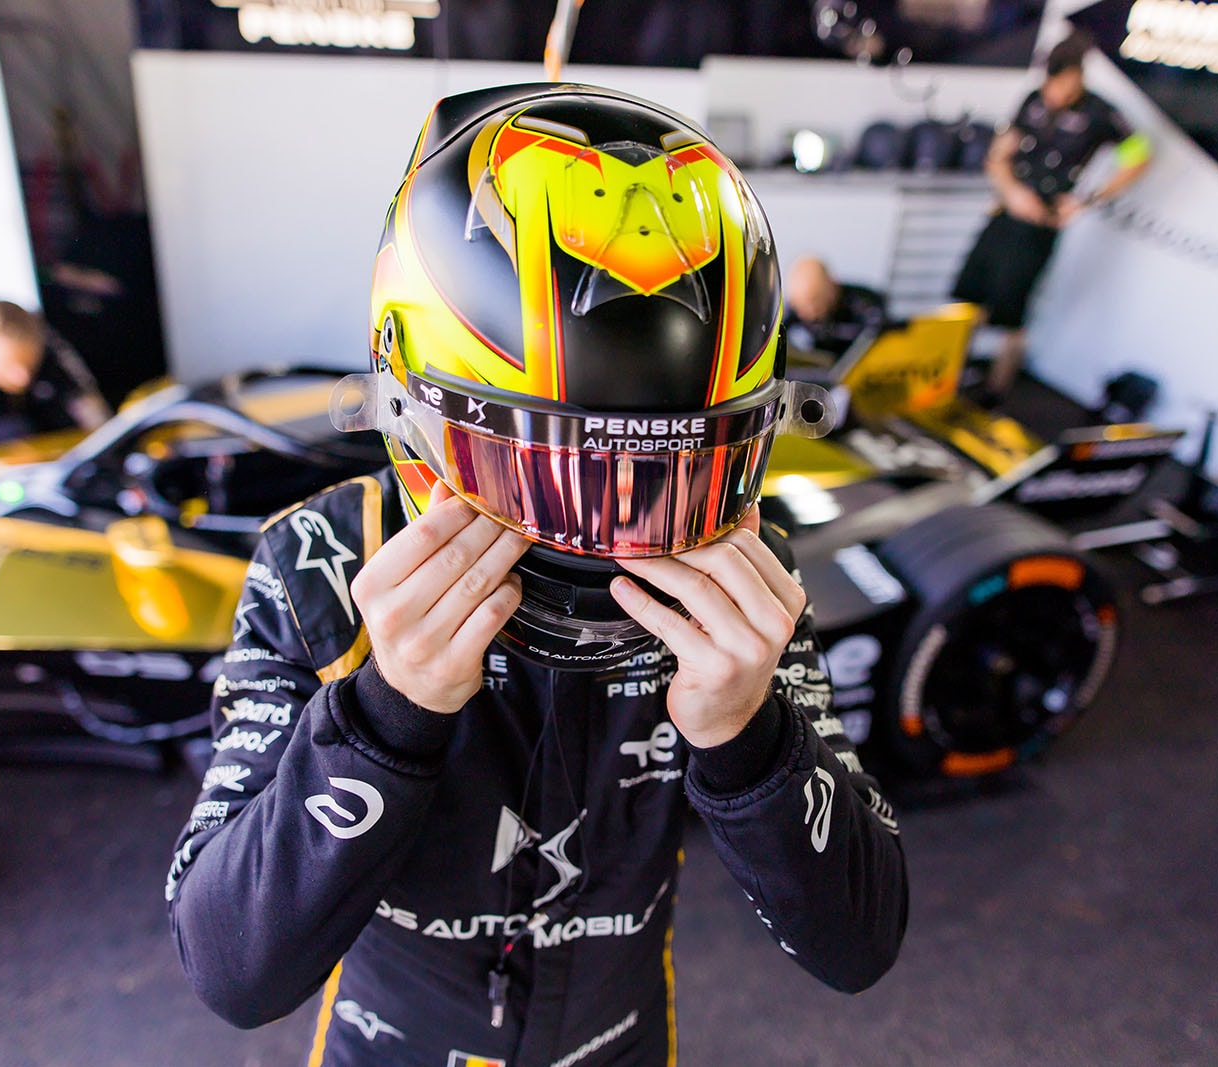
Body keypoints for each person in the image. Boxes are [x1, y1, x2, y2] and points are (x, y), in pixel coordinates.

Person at [165, 84, 909, 1066]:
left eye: (668, 477)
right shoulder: (319, 563)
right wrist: (385, 714)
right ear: (404, 398)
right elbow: (233, 969)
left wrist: (748, 734)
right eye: (540, 474)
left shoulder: (743, 574)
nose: (597, 540)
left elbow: (859, 945)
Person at [952, 30, 1152, 405]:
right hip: (1005, 212)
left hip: (1040, 225)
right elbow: (998, 156)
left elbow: (1140, 155)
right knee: (968, 297)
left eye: (1063, 84)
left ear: (1078, 77)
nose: (1055, 93)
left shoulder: (1100, 113)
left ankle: (995, 393)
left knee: (1013, 312)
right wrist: (1013, 192)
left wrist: (1089, 200)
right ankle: (949, 376)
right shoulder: (1033, 101)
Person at [0, 299, 109, 452]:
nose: (23, 378)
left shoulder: (52, 355)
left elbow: (96, 416)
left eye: (29, 363)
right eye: (9, 365)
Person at [782, 256, 887, 365]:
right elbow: (778, 332)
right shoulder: (795, 309)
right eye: (799, 306)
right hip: (823, 365)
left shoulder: (863, 303)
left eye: (814, 301)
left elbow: (877, 334)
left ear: (831, 286)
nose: (809, 312)